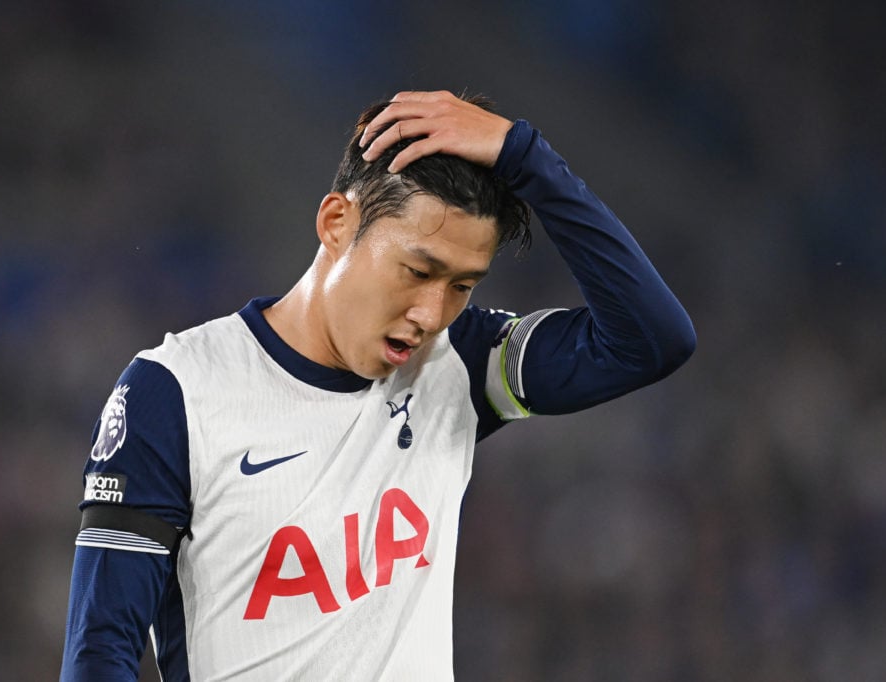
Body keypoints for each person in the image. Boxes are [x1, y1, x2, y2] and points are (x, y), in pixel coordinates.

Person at [60, 90, 696, 680]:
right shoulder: (176, 392)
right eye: (417, 270)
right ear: (337, 222)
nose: (430, 312)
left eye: (462, 286)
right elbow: (102, 647)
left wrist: (527, 156)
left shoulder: (461, 364)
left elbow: (652, 340)